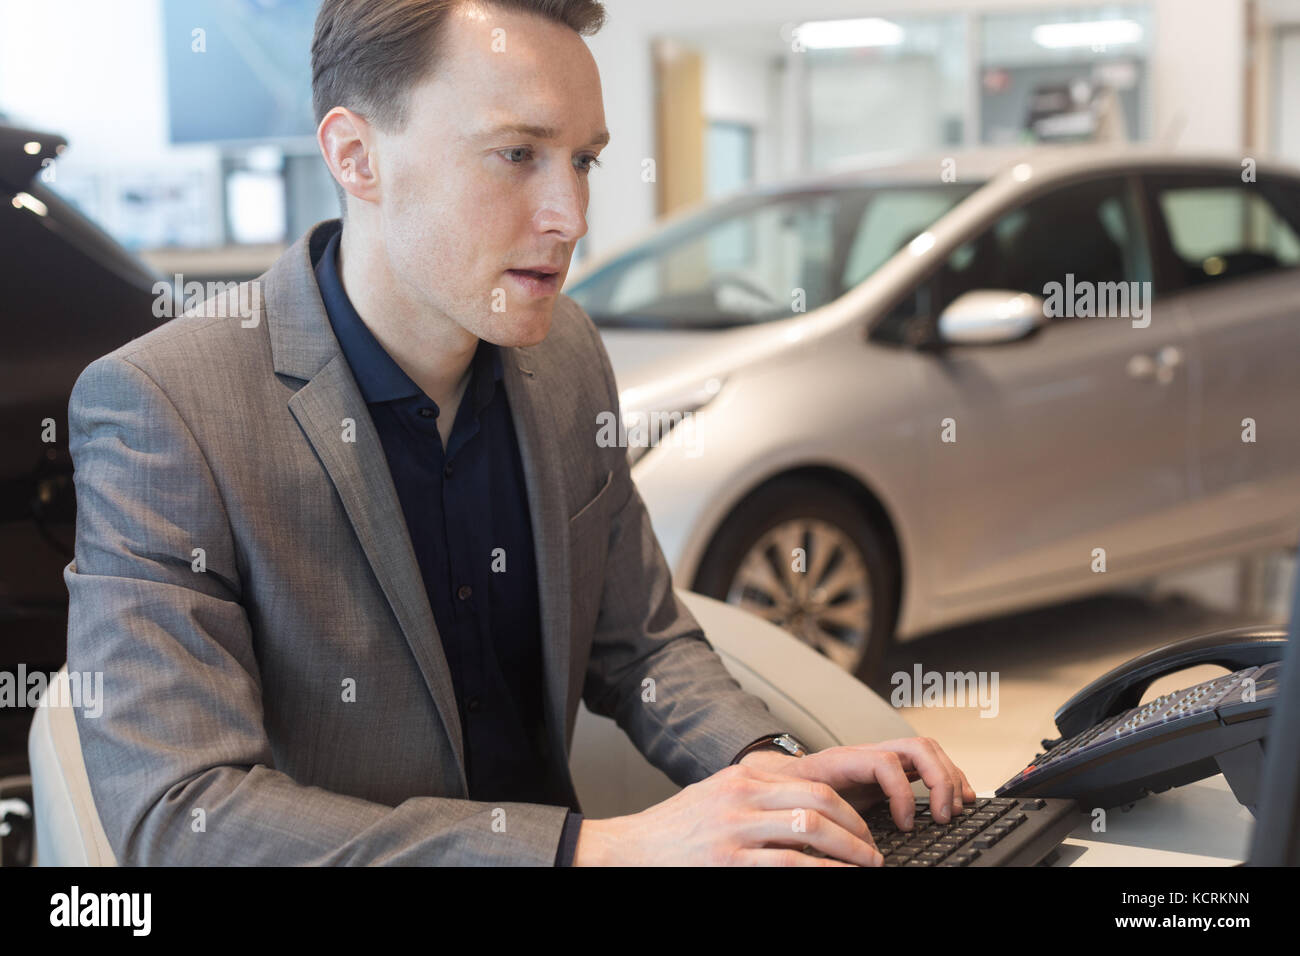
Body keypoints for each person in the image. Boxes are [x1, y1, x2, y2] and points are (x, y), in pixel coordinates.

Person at [64, 0, 974, 866]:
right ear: (356, 155)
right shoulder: (166, 407)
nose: (571, 218)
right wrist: (593, 850)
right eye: (515, 154)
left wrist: (764, 766)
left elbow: (643, 644)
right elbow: (182, 816)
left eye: (584, 161)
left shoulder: (565, 351)